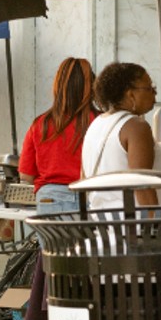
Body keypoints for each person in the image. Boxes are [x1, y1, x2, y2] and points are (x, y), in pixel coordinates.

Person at [79, 62, 161, 209]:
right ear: (130, 94)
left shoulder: (95, 125)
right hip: (135, 225)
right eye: (149, 88)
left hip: (104, 225)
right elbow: (142, 185)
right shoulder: (136, 127)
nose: (154, 93)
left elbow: (83, 179)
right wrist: (156, 225)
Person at [19, 57, 98, 215]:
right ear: (92, 86)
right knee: (87, 241)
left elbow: (26, 175)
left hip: (48, 198)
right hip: (90, 196)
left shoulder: (41, 123)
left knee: (52, 241)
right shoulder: (99, 122)